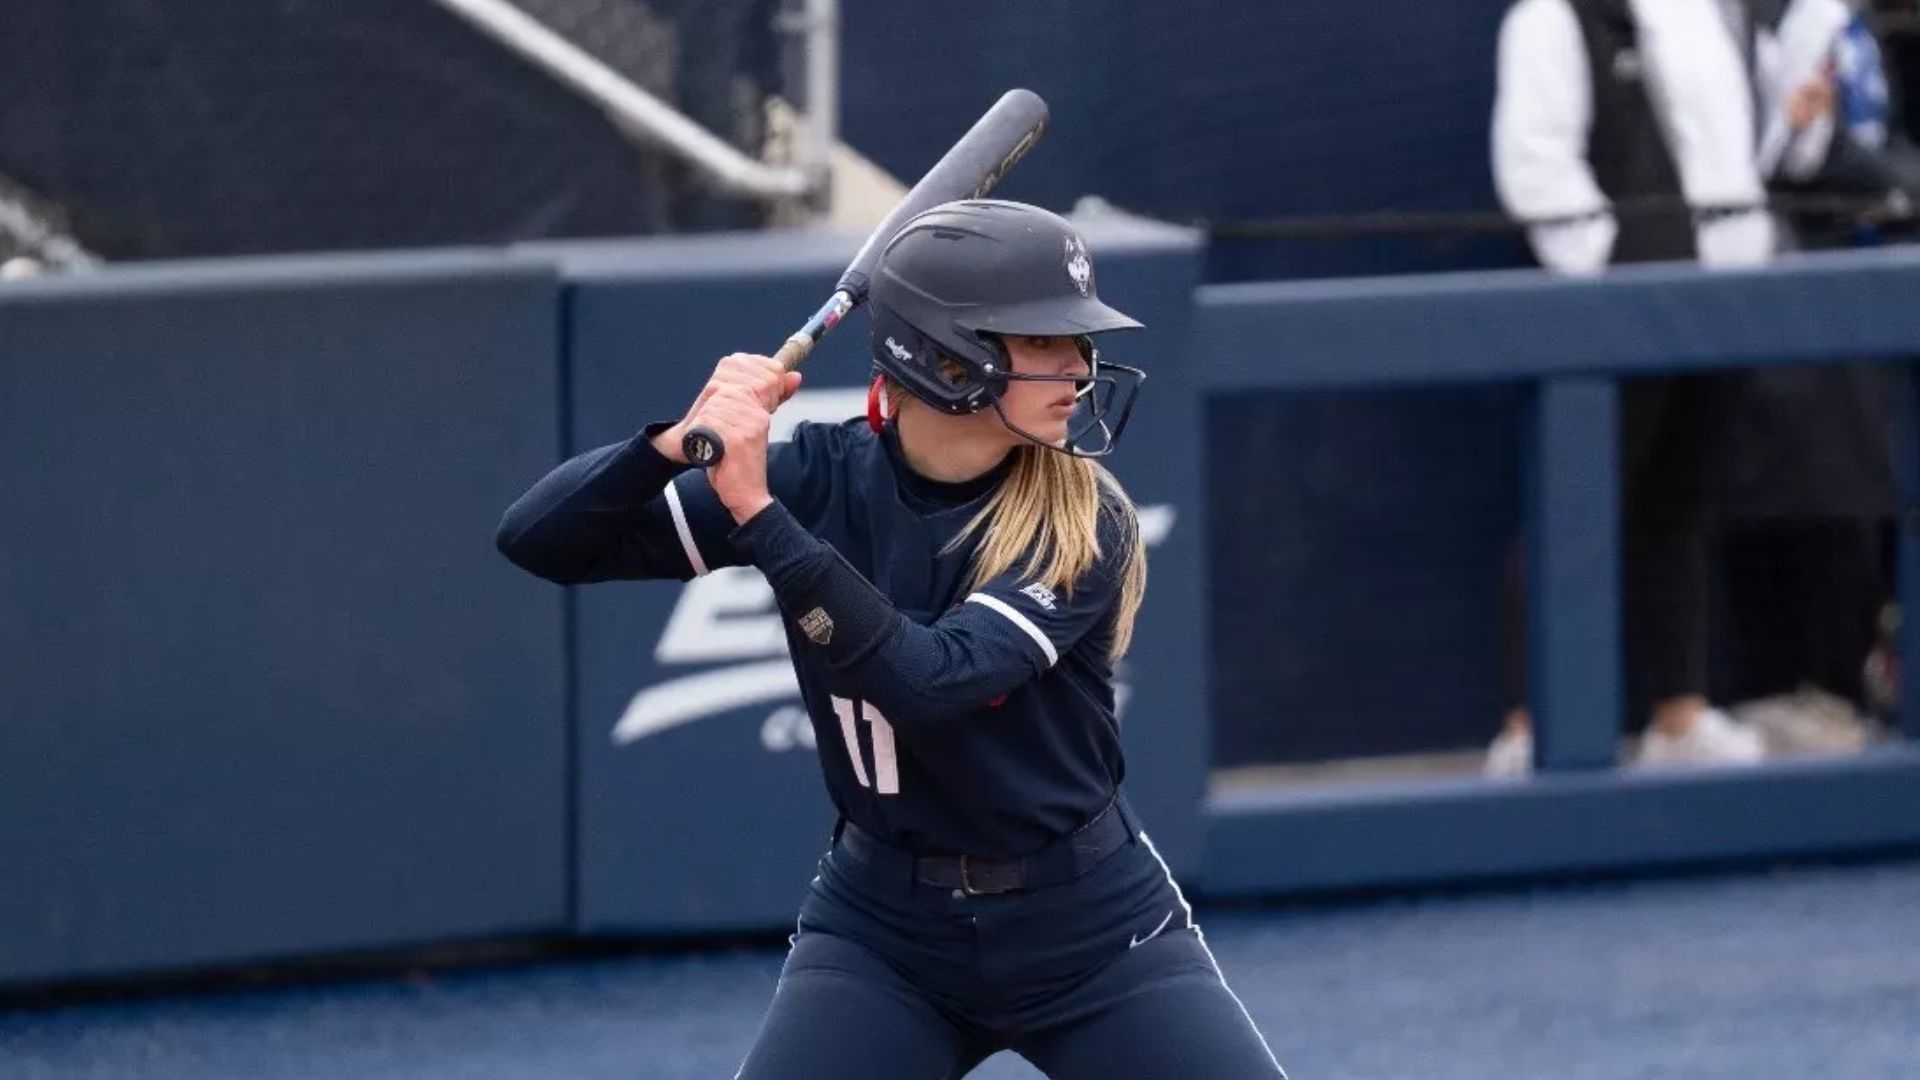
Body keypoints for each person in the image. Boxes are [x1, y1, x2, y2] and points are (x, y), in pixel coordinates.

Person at [496, 200, 1286, 1079]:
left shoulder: (1082, 517)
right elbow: (542, 539)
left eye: (1078, 341)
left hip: (1091, 925)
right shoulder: (820, 477)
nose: (1079, 368)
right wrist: (670, 445)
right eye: (1044, 343)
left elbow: (931, 682)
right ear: (951, 360)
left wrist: (756, 516)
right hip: (886, 934)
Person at [1486, 0, 1846, 776]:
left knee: (1681, 505)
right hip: (1619, 310)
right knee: (1572, 509)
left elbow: (1759, 154)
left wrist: (1802, 122)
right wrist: (1616, 271)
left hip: (1723, 302)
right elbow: (1534, 162)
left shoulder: (1726, 13)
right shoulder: (1551, 19)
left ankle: (1678, 721)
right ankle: (1528, 729)